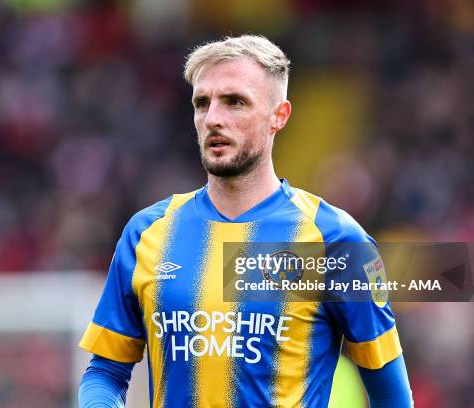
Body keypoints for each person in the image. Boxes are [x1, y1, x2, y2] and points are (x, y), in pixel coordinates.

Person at [78, 35, 413, 407]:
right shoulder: (146, 233)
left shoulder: (338, 240)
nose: (214, 119)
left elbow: (391, 394)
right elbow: (105, 372)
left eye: (234, 102)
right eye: (202, 103)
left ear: (279, 116)